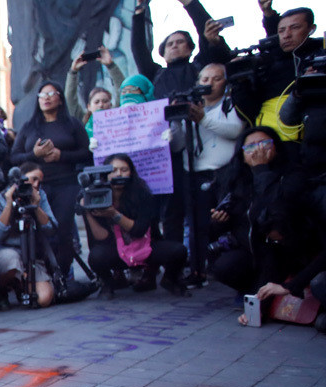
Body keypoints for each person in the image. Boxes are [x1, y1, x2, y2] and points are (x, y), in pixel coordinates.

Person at [211, 126, 311, 299]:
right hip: (249, 249)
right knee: (223, 266)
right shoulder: (237, 180)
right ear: (242, 155)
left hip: (282, 249)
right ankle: (250, 289)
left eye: (264, 143)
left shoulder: (293, 174)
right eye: (250, 147)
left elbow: (276, 205)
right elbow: (219, 228)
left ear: (276, 148)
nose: (258, 150)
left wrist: (261, 170)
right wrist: (219, 221)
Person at [169, 63, 245, 288]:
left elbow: (235, 130)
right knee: (195, 225)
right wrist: (176, 119)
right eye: (204, 80)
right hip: (193, 173)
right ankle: (197, 270)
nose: (209, 84)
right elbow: (176, 146)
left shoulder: (230, 104)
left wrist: (202, 118)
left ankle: (231, 267)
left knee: (230, 220)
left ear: (225, 82)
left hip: (225, 173)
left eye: (216, 79)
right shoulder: (190, 107)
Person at [10, 80, 92, 274]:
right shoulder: (29, 127)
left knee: (63, 229)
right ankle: (44, 273)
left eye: (50, 94)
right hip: (37, 186)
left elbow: (87, 153)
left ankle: (65, 273)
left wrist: (61, 155)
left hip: (66, 183)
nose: (46, 99)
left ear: (60, 98)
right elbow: (14, 157)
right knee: (39, 230)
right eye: (42, 95)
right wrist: (34, 156)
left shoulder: (72, 124)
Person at [83, 154, 189, 299]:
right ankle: (107, 284)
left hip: (146, 246)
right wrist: (87, 211)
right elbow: (101, 237)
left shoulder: (142, 194)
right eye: (113, 170)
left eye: (124, 169)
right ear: (105, 174)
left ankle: (169, 279)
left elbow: (139, 230)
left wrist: (114, 214)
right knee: (95, 256)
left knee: (179, 251)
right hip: (116, 250)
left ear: (131, 172)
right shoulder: (95, 196)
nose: (118, 174)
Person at [234, 5, 321, 141]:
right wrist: (241, 83)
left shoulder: (320, 56)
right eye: (281, 30)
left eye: (295, 27)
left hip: (311, 141)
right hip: (269, 144)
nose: (286, 35)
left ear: (311, 29)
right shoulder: (265, 64)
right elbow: (247, 110)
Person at [0, 162, 59, 309]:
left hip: (32, 253)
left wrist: (36, 206)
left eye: (39, 181)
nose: (36, 184)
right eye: (32, 179)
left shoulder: (39, 196)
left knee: (44, 299)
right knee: (11, 262)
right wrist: (9, 204)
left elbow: (51, 229)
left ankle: (21, 286)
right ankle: (2, 290)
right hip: (5, 251)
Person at [131, 0, 231, 100]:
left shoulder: (201, 67)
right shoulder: (155, 75)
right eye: (170, 44)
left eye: (180, 42)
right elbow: (139, 49)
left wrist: (189, 3)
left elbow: (207, 31)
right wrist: (140, 10)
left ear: (190, 48)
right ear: (163, 53)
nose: (174, 46)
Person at [65, 46, 126, 139]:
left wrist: (111, 65)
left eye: (105, 101)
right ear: (89, 106)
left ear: (111, 104)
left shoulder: (116, 117)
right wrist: (73, 71)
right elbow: (70, 100)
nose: (101, 105)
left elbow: (122, 92)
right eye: (96, 102)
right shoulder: (83, 120)